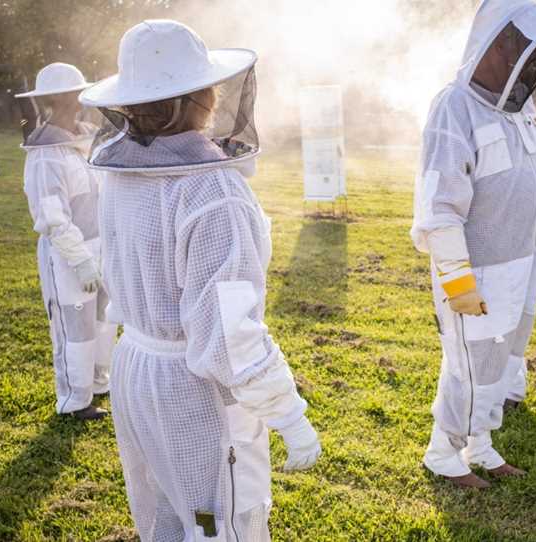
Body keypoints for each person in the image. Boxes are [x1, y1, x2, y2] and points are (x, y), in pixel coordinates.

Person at [79, 20, 321, 541]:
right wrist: (289, 414)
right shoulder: (214, 194)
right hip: (194, 390)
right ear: (196, 98)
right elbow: (228, 335)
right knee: (224, 525)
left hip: (135, 366)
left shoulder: (123, 171)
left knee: (165, 514)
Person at [411, 0, 536, 489]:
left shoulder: (521, 112)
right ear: (496, 42)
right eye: (521, 45)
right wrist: (457, 278)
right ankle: (443, 452)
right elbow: (439, 205)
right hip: (475, 272)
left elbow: (535, 185)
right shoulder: (453, 107)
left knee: (503, 362)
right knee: (467, 367)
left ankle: (480, 444)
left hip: (519, 267)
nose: (528, 57)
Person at [17, 63, 116, 421]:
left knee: (104, 321)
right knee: (75, 328)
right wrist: (81, 259)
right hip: (67, 256)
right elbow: (53, 217)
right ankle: (75, 401)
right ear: (57, 98)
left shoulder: (86, 140)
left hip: (103, 247)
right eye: (77, 93)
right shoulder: (45, 156)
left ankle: (100, 384)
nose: (83, 99)